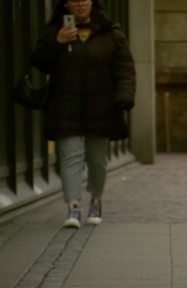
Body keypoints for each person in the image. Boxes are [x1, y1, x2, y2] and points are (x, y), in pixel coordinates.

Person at [30, 0, 136, 228]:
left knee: (98, 161)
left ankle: (96, 200)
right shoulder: (55, 31)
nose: (79, 5)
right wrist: (57, 42)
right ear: (66, 4)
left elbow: (125, 67)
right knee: (71, 157)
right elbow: (39, 61)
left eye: (84, 0)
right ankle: (73, 207)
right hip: (65, 107)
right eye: (74, 1)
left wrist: (125, 95)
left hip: (101, 107)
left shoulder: (111, 32)